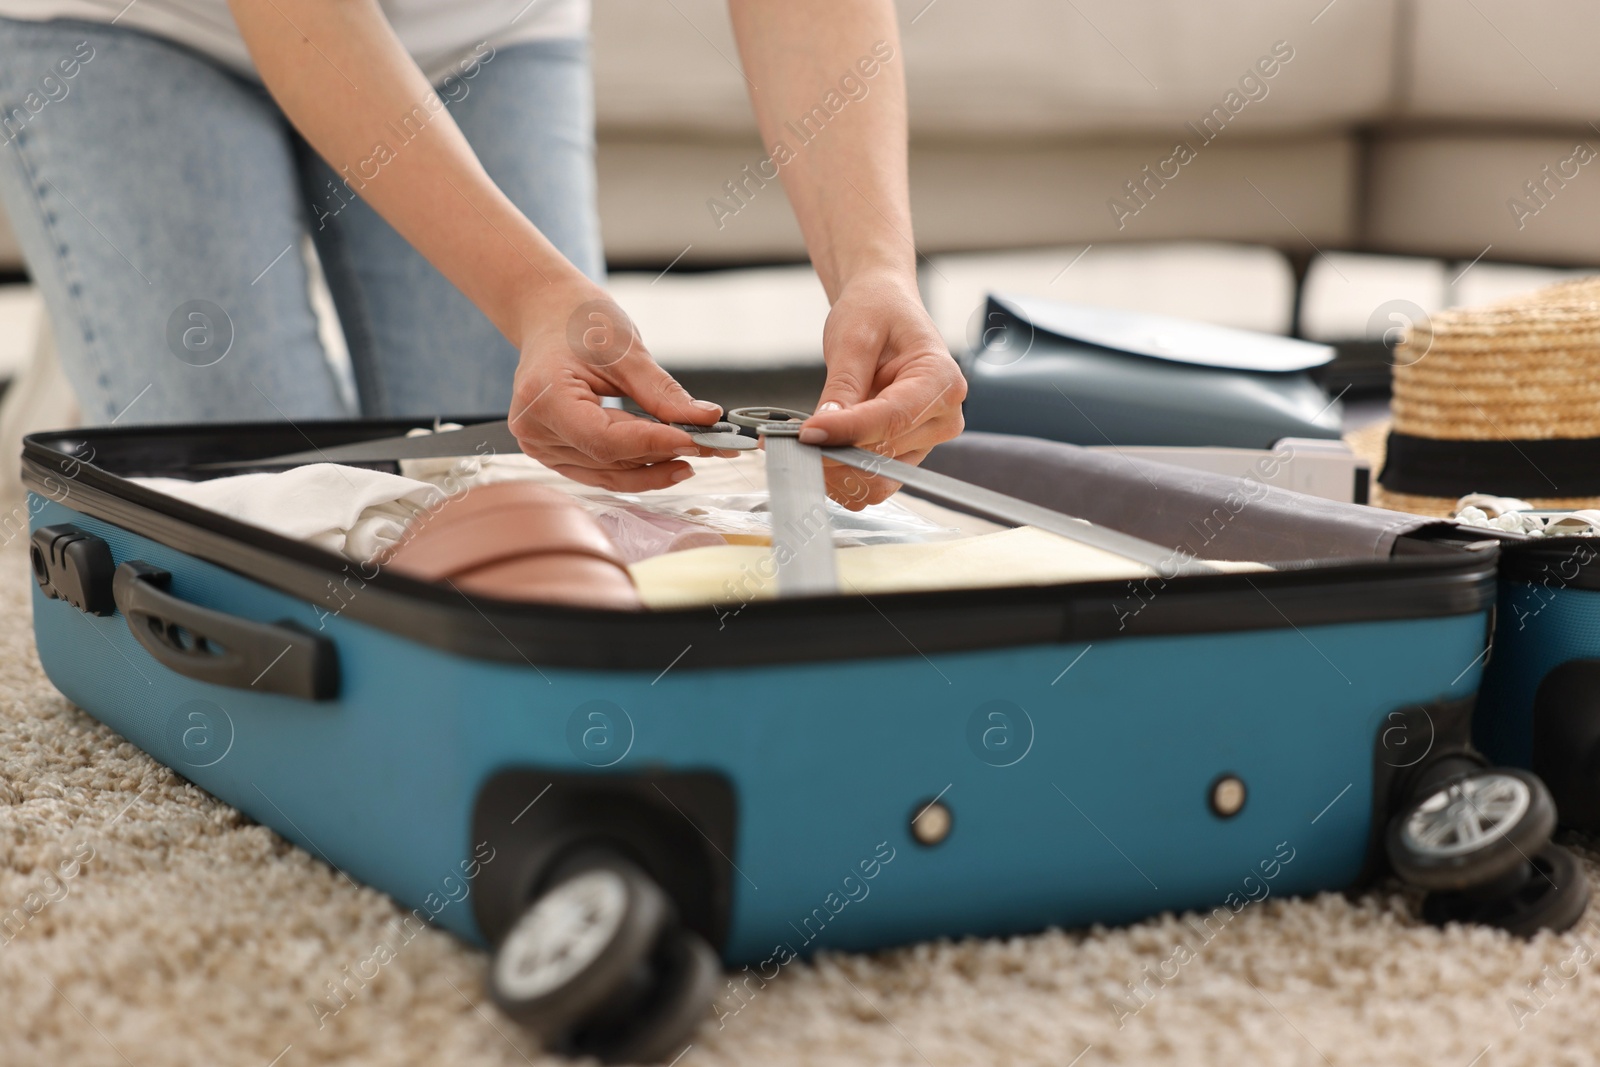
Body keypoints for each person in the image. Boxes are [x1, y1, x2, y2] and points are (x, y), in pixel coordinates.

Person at [0, 0, 964, 504]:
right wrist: (531, 292)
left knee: (515, 491)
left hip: (476, 30)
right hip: (136, 25)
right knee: (263, 509)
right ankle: (107, 330)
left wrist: (875, 270)